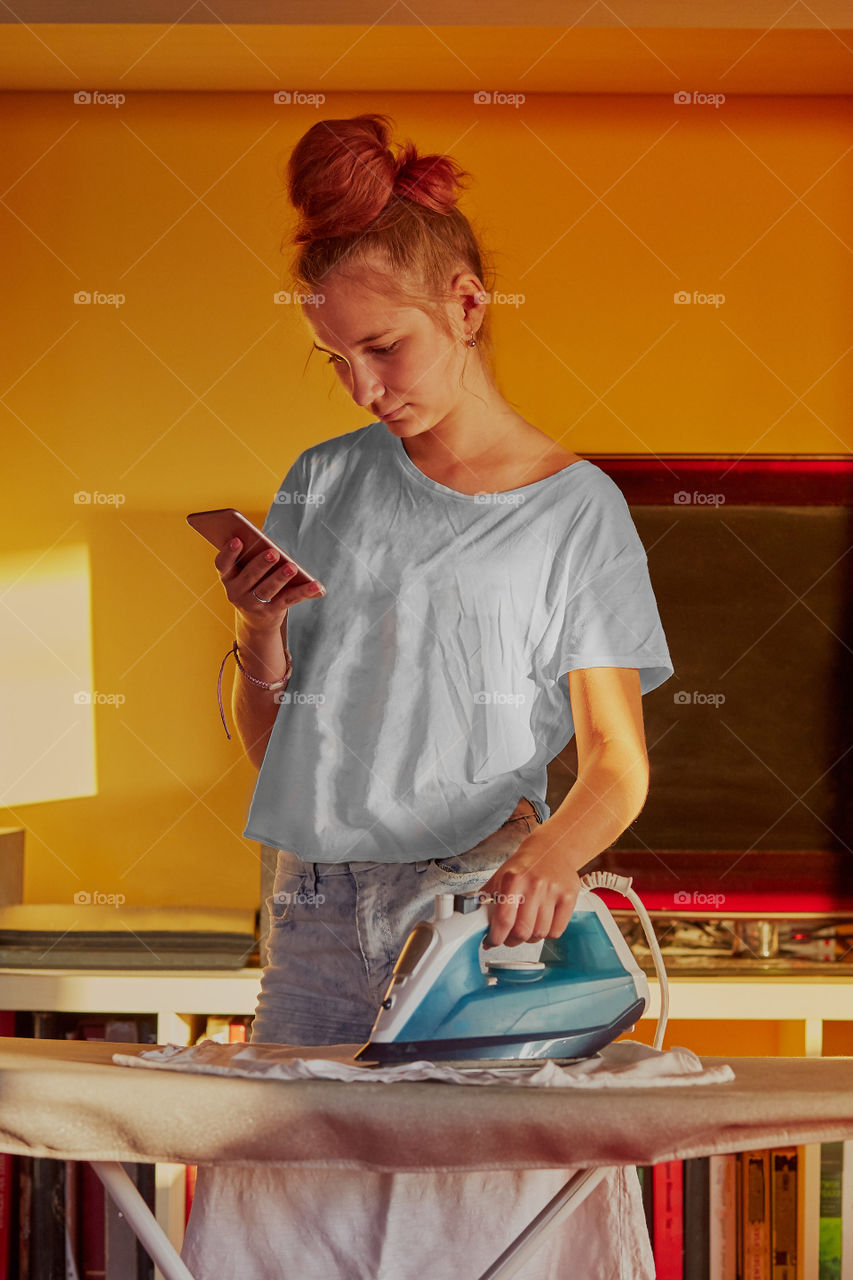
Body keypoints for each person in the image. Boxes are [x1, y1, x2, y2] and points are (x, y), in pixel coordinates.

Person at [181, 112, 674, 1279]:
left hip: (470, 907)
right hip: (312, 909)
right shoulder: (322, 480)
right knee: (279, 1228)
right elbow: (278, 750)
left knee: (493, 1225)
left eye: (382, 348)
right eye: (335, 359)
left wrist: (551, 857)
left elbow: (616, 763)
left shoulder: (574, 514)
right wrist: (258, 626)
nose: (362, 387)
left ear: (465, 303)